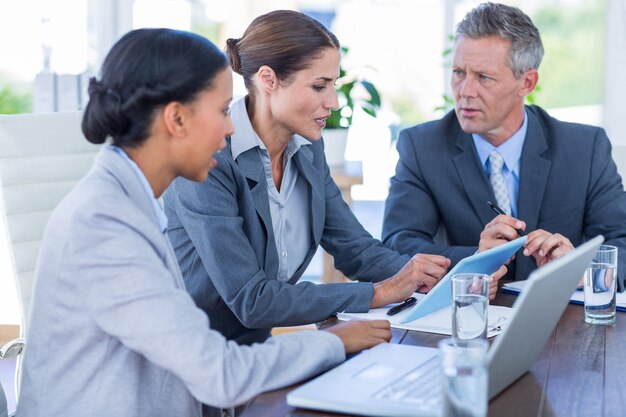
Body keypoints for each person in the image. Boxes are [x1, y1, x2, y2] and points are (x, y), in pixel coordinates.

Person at [16, 28, 393, 417]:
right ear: (177, 119)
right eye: (223, 111)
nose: (231, 129)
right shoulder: (104, 224)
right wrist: (336, 342)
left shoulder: (130, 201)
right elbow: (220, 372)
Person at [164, 10, 503, 346]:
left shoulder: (308, 150)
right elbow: (252, 300)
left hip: (254, 352)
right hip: (190, 359)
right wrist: (380, 292)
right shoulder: (209, 159)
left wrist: (448, 279)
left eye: (334, 85)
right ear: (268, 79)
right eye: (319, 86)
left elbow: (358, 251)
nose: (334, 102)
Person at [382, 2, 626, 290]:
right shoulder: (422, 147)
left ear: (527, 82)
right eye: (459, 72)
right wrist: (474, 261)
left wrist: (579, 269)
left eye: (483, 77)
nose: (465, 92)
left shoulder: (585, 148)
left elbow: (621, 241)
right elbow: (398, 245)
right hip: (468, 320)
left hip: (563, 319)